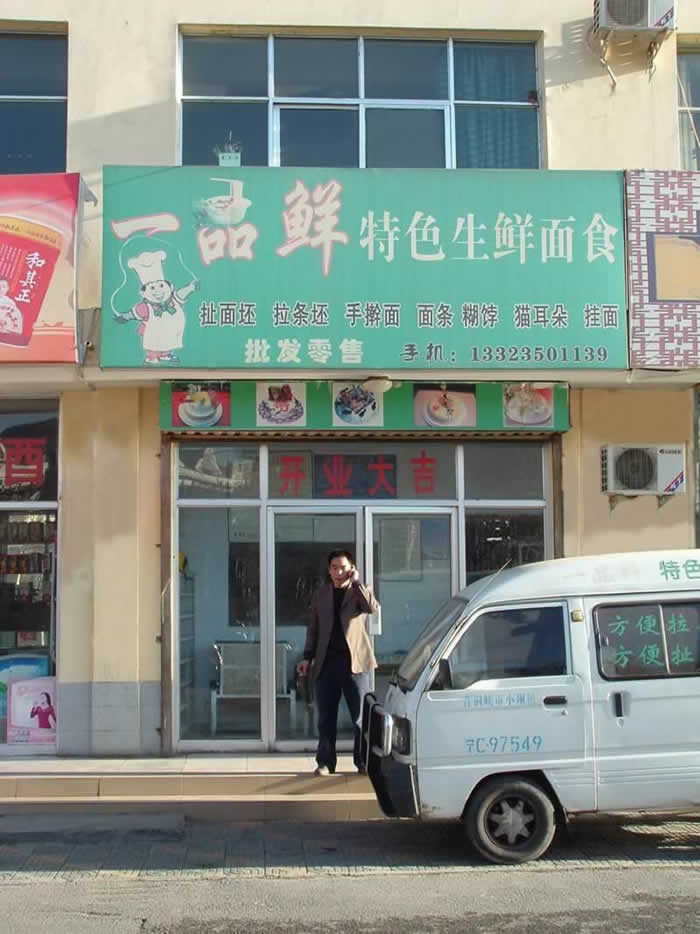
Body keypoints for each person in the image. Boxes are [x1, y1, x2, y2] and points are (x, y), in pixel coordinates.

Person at [297, 550, 379, 776]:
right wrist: (307, 657)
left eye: (343, 567)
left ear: (351, 568)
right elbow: (313, 628)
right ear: (329, 569)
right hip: (326, 664)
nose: (338, 572)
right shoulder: (321, 594)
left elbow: (372, 608)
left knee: (360, 717)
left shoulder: (359, 591)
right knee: (326, 718)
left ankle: (363, 762)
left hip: (354, 664)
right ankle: (325, 762)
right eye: (334, 567)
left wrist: (357, 582)